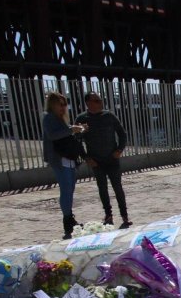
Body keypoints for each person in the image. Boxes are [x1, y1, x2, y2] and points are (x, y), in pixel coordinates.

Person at [76, 92, 131, 229]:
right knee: (102, 188)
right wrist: (86, 158)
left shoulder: (109, 116)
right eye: (97, 100)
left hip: (112, 158)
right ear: (88, 103)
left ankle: (124, 215)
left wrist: (119, 150)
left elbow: (122, 134)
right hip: (96, 161)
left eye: (100, 100)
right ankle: (108, 215)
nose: (101, 102)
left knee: (118, 187)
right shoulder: (82, 119)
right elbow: (77, 141)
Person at [42, 92, 87, 239]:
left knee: (70, 188)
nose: (63, 107)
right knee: (66, 189)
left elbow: (65, 134)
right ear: (53, 104)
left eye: (64, 104)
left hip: (68, 158)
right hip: (59, 158)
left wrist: (77, 129)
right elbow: (53, 135)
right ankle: (67, 220)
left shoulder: (59, 118)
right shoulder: (48, 117)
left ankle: (70, 217)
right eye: (60, 104)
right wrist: (71, 129)